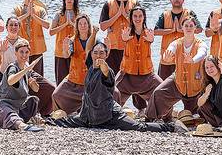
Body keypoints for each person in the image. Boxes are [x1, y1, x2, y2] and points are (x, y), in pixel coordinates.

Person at [54, 41, 188, 133]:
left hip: (110, 115)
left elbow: (106, 72)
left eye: (101, 53)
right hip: (89, 116)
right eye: (95, 53)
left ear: (106, 55)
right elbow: (88, 47)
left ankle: (170, 127)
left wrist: (104, 65)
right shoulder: (90, 69)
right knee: (65, 122)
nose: (98, 56)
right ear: (91, 54)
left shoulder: (107, 71)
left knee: (138, 127)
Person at [99, 0, 146, 112]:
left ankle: (141, 108)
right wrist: (117, 15)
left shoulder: (135, 3)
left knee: (135, 77)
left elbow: (140, 24)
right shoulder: (108, 4)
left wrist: (125, 15)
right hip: (113, 47)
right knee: (113, 78)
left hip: (130, 46)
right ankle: (113, 105)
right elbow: (102, 26)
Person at [147, 16, 208, 121]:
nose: (188, 28)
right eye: (186, 26)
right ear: (182, 28)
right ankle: (150, 118)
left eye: (191, 26)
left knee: (199, 111)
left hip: (196, 84)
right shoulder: (176, 43)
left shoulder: (201, 44)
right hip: (178, 81)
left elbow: (202, 53)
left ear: (195, 28)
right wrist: (166, 56)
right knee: (158, 92)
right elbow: (170, 49)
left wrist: (193, 60)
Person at [0, 16, 56, 116]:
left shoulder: (23, 42)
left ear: (19, 27)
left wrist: (29, 76)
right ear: (6, 27)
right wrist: (1, 51)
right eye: (11, 25)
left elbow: (26, 60)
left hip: (25, 71)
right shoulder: (1, 42)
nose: (13, 27)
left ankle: (42, 112)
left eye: (16, 25)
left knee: (50, 87)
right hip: (7, 74)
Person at [0, 39, 44, 132]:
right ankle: (21, 125)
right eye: (21, 52)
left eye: (26, 52)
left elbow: (36, 89)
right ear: (16, 53)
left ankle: (34, 117)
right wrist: (26, 70)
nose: (24, 55)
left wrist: (33, 83)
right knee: (9, 113)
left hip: (17, 104)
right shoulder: (13, 67)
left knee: (33, 99)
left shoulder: (26, 70)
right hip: (2, 103)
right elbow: (11, 81)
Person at [115, 6, 160, 113]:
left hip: (147, 73)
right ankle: (111, 116)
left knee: (162, 91)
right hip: (127, 73)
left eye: (140, 16)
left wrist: (151, 40)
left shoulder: (148, 32)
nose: (137, 18)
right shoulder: (127, 32)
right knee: (112, 92)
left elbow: (151, 39)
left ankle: (158, 115)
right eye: (135, 16)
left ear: (144, 17)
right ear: (131, 18)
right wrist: (124, 39)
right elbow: (123, 39)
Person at [154, 0, 202, 80]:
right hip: (167, 59)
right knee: (163, 89)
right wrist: (171, 30)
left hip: (185, 59)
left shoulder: (189, 13)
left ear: (183, 0)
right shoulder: (164, 14)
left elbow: (199, 29)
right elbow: (155, 32)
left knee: (186, 87)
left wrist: (180, 29)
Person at [52, 14, 94, 114]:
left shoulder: (94, 40)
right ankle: (60, 115)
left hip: (91, 79)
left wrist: (108, 49)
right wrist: (65, 48)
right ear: (77, 26)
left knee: (115, 93)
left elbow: (102, 56)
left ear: (89, 26)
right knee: (56, 95)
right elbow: (66, 55)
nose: (83, 26)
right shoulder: (72, 41)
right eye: (80, 24)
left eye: (85, 23)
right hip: (74, 78)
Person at [13, 0, 50, 75]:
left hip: (37, 49)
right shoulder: (17, 9)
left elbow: (47, 25)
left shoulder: (41, 10)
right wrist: (26, 15)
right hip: (22, 50)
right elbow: (12, 23)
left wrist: (33, 16)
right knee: (22, 78)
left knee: (37, 79)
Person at [49, 0, 79, 84]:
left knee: (75, 81)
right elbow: (51, 32)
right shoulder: (58, 15)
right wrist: (65, 24)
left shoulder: (79, 15)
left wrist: (72, 24)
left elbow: (86, 31)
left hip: (76, 53)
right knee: (61, 82)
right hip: (60, 53)